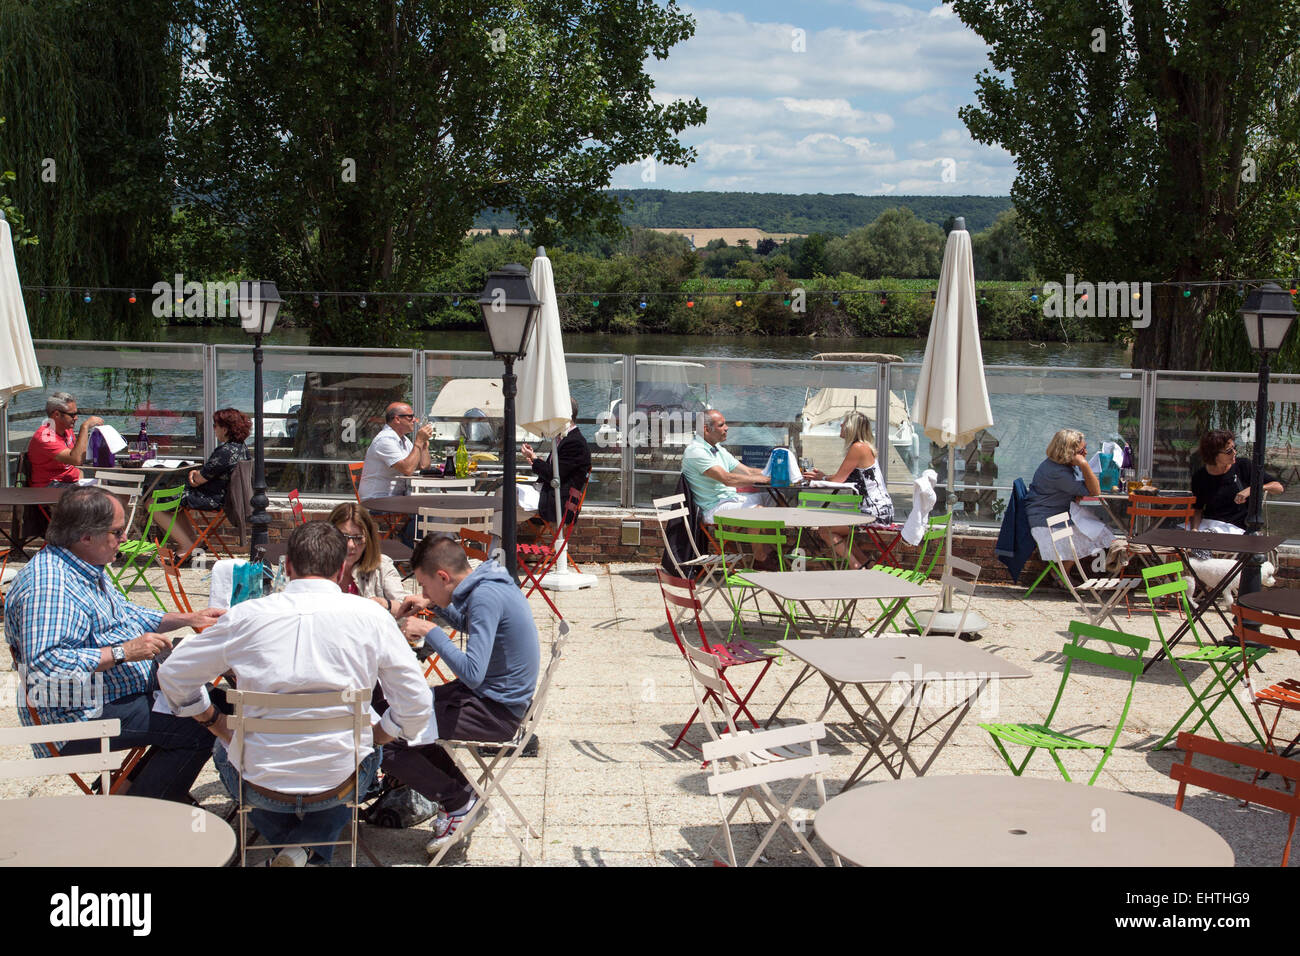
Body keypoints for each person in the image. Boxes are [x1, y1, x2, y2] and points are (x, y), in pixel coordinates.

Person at [157, 521, 433, 867]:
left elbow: (172, 674)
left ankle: (295, 851)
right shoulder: (371, 617)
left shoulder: (245, 617)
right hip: (340, 783)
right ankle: (306, 852)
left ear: (287, 567)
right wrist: (379, 736)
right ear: (340, 568)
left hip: (261, 788)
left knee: (224, 748)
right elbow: (418, 703)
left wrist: (212, 719)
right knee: (367, 749)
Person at [4, 486, 223, 802]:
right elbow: (47, 666)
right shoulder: (50, 587)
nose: (124, 540)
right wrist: (125, 652)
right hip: (76, 715)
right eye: (118, 532)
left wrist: (190, 618)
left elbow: (127, 613)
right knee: (201, 721)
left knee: (215, 697)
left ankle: (139, 789)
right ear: (86, 537)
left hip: (111, 693)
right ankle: (145, 810)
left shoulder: (85, 563)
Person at [383, 535, 540, 856]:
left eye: (426, 587)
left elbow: (472, 671)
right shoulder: (490, 581)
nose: (423, 593)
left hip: (495, 712)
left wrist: (431, 631)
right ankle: (463, 796)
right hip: (495, 699)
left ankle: (458, 802)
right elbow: (474, 625)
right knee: (405, 712)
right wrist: (435, 606)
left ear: (443, 576)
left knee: (388, 739)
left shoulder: (485, 597)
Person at [1189, 429, 1284, 598]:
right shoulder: (1200, 477)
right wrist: (1194, 531)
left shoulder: (1243, 466)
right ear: (1213, 454)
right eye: (1228, 451)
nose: (1234, 453)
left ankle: (1212, 586)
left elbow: (1278, 487)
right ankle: (1185, 589)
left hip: (1237, 529)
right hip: (1210, 526)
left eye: (1234, 448)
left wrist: (1253, 488)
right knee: (1181, 542)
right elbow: (1197, 510)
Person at [801, 411, 894, 568]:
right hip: (880, 509)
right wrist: (823, 476)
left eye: (844, 422)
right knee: (841, 533)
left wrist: (821, 478)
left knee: (825, 531)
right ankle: (866, 563)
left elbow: (838, 479)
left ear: (852, 427)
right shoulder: (863, 447)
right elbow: (841, 477)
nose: (841, 425)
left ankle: (855, 566)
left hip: (875, 512)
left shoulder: (858, 448)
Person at [681, 409, 774, 566]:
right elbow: (727, 479)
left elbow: (748, 471)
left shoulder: (717, 449)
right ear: (706, 429)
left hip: (730, 499)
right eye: (721, 424)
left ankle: (773, 549)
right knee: (758, 511)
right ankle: (761, 558)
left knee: (774, 499)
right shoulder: (696, 451)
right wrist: (762, 479)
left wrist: (776, 474)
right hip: (713, 507)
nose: (727, 428)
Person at [1021, 429, 1114, 576]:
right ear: (1069, 452)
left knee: (1097, 529)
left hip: (1056, 515)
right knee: (1096, 533)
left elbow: (1084, 491)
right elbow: (1095, 491)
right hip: (1046, 523)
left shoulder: (1062, 466)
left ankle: (1062, 573)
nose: (1086, 453)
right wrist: (1084, 465)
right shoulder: (1058, 473)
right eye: (1082, 450)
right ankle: (1061, 574)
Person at [520, 397, 591, 527]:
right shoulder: (564, 438)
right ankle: (500, 540)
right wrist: (535, 460)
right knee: (505, 496)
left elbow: (554, 476)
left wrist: (535, 460)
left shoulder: (575, 443)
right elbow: (556, 471)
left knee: (506, 497)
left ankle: (498, 541)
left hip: (557, 502)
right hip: (550, 494)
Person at [329, 501, 406, 615]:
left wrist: (385, 604)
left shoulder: (381, 566)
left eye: (358, 538)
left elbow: (404, 605)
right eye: (343, 537)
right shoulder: (317, 567)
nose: (350, 545)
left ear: (368, 539)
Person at [358, 402, 434, 501]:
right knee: (425, 510)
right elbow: (408, 469)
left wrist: (423, 445)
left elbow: (423, 466)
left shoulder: (404, 440)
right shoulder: (385, 439)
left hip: (395, 497)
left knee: (428, 506)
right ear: (397, 419)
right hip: (377, 499)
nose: (414, 420)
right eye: (410, 417)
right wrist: (419, 441)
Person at [26, 391, 104, 487]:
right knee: (102, 493)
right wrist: (85, 427)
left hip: (69, 482)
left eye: (77, 413)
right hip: (50, 486)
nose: (76, 418)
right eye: (72, 414)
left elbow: (77, 458)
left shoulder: (67, 430)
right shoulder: (46, 437)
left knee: (108, 485)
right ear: (57, 414)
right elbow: (76, 460)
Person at [182, 408, 251, 510]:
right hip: (231, 499)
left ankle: (179, 527)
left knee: (154, 502)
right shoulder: (242, 448)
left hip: (215, 499)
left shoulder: (225, 452)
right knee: (175, 503)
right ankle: (183, 527)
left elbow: (199, 479)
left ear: (225, 429)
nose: (214, 429)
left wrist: (193, 473)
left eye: (215, 426)